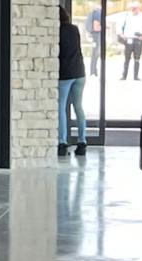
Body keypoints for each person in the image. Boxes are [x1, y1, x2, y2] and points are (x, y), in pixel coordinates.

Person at [58, 6, 87, 157]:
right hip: (80, 72)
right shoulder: (74, 29)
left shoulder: (57, 31)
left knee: (61, 107)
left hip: (65, 73)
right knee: (78, 107)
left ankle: (62, 143)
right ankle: (82, 142)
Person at [119, 2, 142, 81]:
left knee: (137, 58)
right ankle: (124, 76)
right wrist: (121, 34)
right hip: (129, 39)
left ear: (139, 8)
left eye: (135, 8)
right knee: (127, 58)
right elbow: (119, 25)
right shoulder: (127, 16)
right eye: (133, 8)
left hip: (138, 39)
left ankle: (136, 76)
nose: (134, 10)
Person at [84, 4, 102, 77]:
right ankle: (94, 71)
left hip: (93, 35)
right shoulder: (97, 14)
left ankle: (93, 70)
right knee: (96, 54)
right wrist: (104, 28)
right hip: (97, 35)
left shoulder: (91, 13)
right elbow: (96, 26)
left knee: (94, 53)